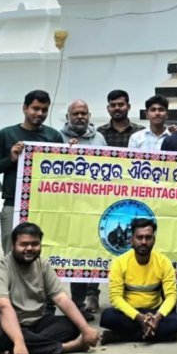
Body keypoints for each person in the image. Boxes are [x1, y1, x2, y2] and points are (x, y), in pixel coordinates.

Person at [0, 222, 99, 354]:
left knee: (73, 325)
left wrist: (85, 329)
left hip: (34, 325)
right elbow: (4, 309)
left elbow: (61, 299)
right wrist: (19, 341)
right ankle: (66, 347)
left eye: (35, 244)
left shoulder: (43, 265)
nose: (30, 248)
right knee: (3, 339)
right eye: (24, 244)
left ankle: (19, 350)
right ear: (13, 245)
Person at [0, 90, 64, 255]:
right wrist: (11, 158)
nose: (40, 113)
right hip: (13, 202)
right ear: (25, 108)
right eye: (35, 108)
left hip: (45, 204)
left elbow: (62, 171)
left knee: (44, 253)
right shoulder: (6, 134)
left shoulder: (54, 136)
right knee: (12, 253)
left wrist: (72, 151)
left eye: (44, 110)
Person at [99, 218, 177, 342]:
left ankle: (121, 337)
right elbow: (115, 298)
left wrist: (157, 318)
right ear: (131, 240)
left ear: (154, 240)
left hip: (155, 311)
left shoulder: (164, 262)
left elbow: (171, 296)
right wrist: (139, 317)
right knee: (107, 317)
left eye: (148, 238)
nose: (144, 242)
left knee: (176, 322)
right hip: (130, 313)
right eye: (139, 237)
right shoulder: (120, 262)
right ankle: (154, 334)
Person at [60, 99, 106, 318]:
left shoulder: (99, 138)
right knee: (75, 254)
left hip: (95, 205)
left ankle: (90, 296)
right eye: (76, 113)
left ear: (89, 116)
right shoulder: (58, 137)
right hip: (68, 206)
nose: (80, 117)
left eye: (84, 113)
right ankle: (76, 303)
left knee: (93, 252)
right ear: (68, 116)